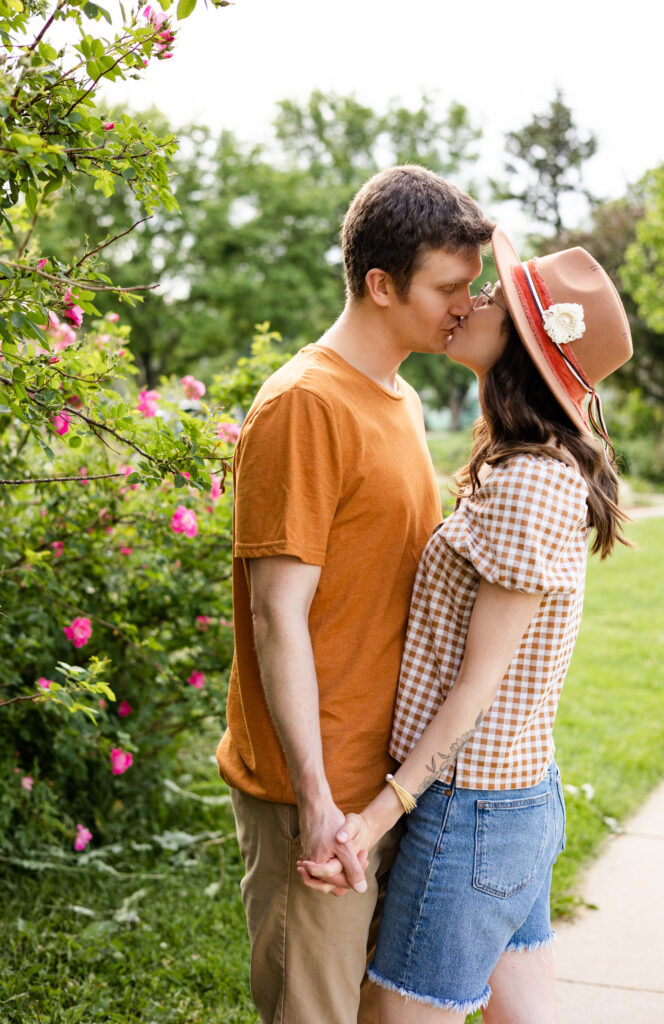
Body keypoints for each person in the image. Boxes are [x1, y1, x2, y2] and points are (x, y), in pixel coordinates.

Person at [300, 227, 633, 1023]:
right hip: (512, 800)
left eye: (492, 297)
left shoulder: (531, 482)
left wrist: (379, 813)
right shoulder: (520, 462)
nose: (472, 299)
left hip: (472, 806)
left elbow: (475, 687)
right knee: (524, 1013)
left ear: (520, 340)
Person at [215, 165, 495, 1024]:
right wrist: (317, 800)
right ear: (381, 284)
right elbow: (278, 617)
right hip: (319, 794)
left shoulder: (401, 397)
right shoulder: (305, 404)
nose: (467, 305)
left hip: (384, 786)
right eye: (450, 286)